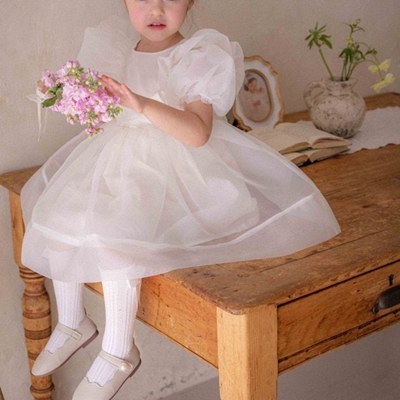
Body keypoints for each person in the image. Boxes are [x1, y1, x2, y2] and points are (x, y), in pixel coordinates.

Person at [21, 0, 340, 399]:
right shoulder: (115, 47)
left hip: (176, 174)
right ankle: (72, 322)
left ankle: (118, 351)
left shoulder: (196, 55)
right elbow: (101, 112)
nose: (156, 9)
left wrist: (141, 104)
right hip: (120, 162)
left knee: (116, 237)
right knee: (61, 211)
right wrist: (62, 94)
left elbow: (198, 133)